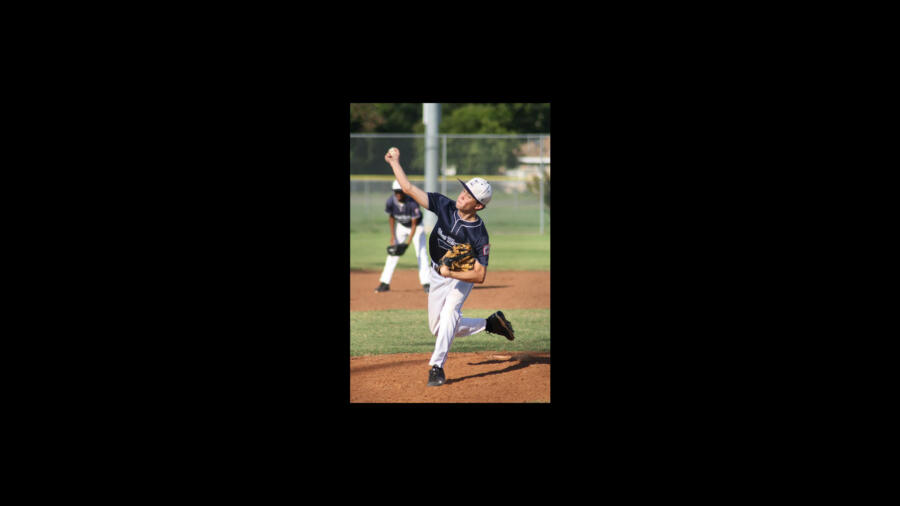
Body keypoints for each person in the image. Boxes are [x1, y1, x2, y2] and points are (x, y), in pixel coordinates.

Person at [384, 147, 515, 387]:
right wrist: (395, 162)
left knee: (450, 315)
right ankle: (490, 323)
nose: (463, 195)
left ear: (479, 206)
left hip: (460, 278)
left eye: (470, 195)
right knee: (438, 327)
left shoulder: (479, 235)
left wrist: (451, 272)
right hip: (437, 273)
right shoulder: (444, 205)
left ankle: (436, 366)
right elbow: (409, 189)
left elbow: (480, 274)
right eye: (465, 189)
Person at [375, 180, 432, 294]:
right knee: (393, 253)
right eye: (396, 192)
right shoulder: (391, 201)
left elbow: (414, 224)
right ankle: (384, 283)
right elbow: (391, 218)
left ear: (405, 192)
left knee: (421, 253)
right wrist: (392, 237)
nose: (398, 194)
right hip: (400, 226)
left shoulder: (412, 202)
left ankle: (427, 283)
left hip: (416, 227)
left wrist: (407, 243)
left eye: (400, 191)